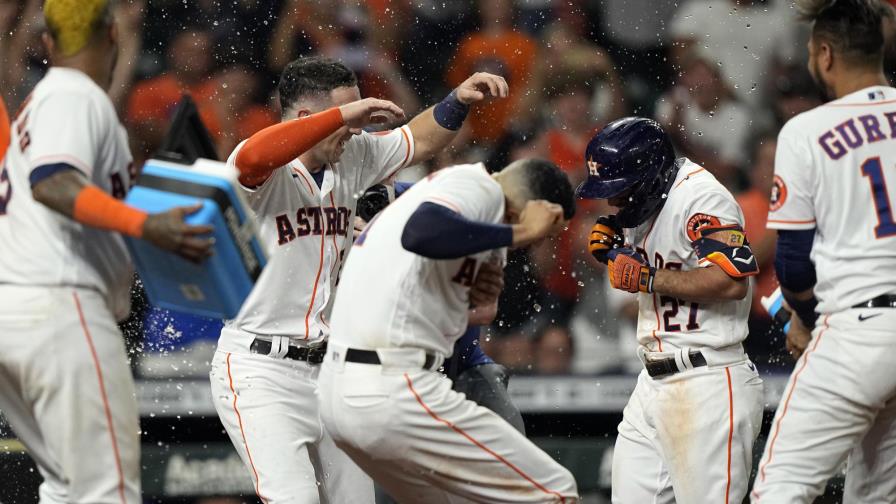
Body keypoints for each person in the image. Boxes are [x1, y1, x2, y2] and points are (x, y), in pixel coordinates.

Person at [208, 55, 510, 503]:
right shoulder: (264, 164)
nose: (355, 129)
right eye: (346, 119)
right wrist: (344, 115)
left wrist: (457, 101)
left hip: (331, 369)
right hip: (261, 367)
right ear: (307, 118)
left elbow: (418, 139)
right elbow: (252, 157)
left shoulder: (352, 155)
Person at [0, 1, 213, 502]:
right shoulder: (75, 96)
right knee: (107, 491)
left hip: (20, 312)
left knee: (66, 487)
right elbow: (53, 183)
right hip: (62, 310)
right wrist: (146, 224)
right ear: (112, 34)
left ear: (48, 43)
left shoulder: (47, 101)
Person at [319, 158, 580, 503]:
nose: (533, 245)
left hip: (343, 391)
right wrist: (525, 231)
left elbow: (466, 302)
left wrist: (466, 295)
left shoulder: (465, 212)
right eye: (542, 233)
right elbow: (421, 232)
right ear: (529, 210)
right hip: (391, 385)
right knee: (556, 489)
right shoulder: (480, 187)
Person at [751, 1, 896, 501]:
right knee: (878, 495)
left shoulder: (806, 130)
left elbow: (792, 264)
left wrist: (807, 319)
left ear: (826, 54)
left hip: (857, 331)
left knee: (781, 487)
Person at [577, 117, 764, 502]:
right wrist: (615, 248)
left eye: (621, 190)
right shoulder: (646, 203)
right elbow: (662, 257)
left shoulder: (702, 197)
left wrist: (647, 278)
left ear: (651, 175)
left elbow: (731, 282)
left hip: (708, 379)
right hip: (651, 381)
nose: (613, 201)